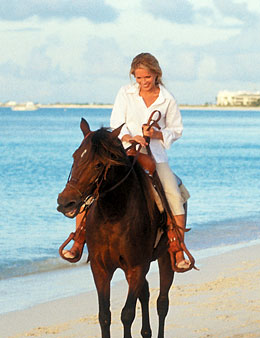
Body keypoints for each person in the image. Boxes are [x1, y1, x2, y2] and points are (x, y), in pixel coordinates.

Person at [61, 53, 192, 271]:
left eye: (147, 77)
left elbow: (176, 130)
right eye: (139, 78)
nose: (143, 82)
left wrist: (156, 134)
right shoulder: (125, 92)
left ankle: (178, 248)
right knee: (92, 183)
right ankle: (79, 239)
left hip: (155, 156)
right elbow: (116, 121)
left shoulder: (167, 99)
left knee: (173, 193)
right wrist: (131, 137)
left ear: (156, 74)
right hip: (123, 152)